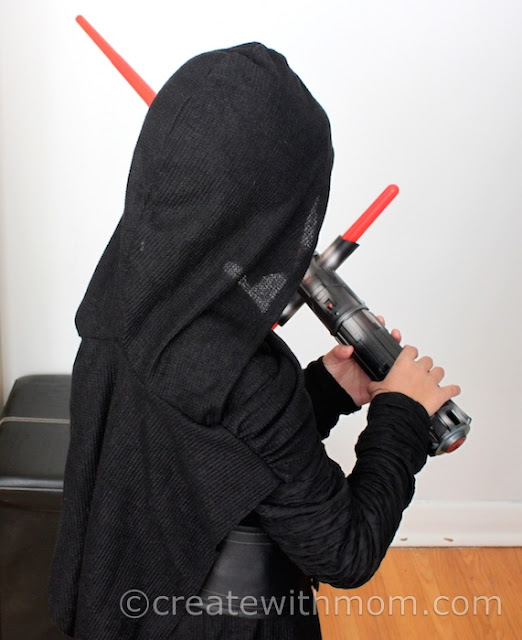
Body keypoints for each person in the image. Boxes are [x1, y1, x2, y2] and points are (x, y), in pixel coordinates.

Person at [48, 42, 461, 640]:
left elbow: (215, 444)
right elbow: (346, 552)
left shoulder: (121, 293)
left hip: (122, 595)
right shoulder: (246, 377)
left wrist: (324, 389)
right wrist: (402, 417)